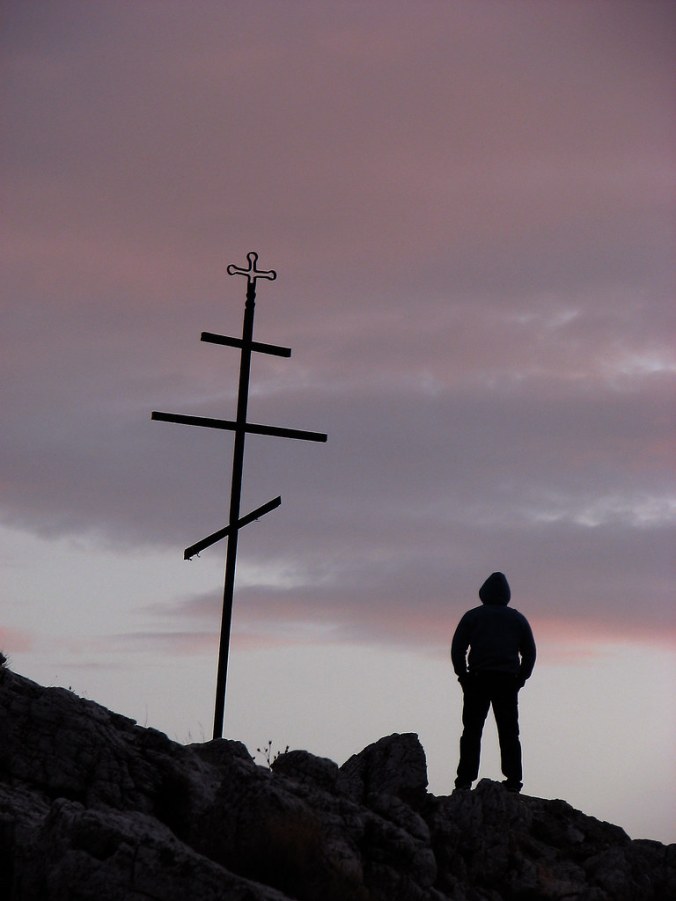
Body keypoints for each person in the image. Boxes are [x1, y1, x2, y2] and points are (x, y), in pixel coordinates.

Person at [451, 571, 536, 793]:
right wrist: (521, 678)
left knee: (471, 731)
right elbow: (530, 652)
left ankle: (464, 781)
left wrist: (463, 676)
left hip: (477, 680)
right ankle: (514, 781)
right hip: (506, 681)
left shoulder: (472, 616)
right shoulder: (517, 618)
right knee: (509, 732)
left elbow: (458, 648)